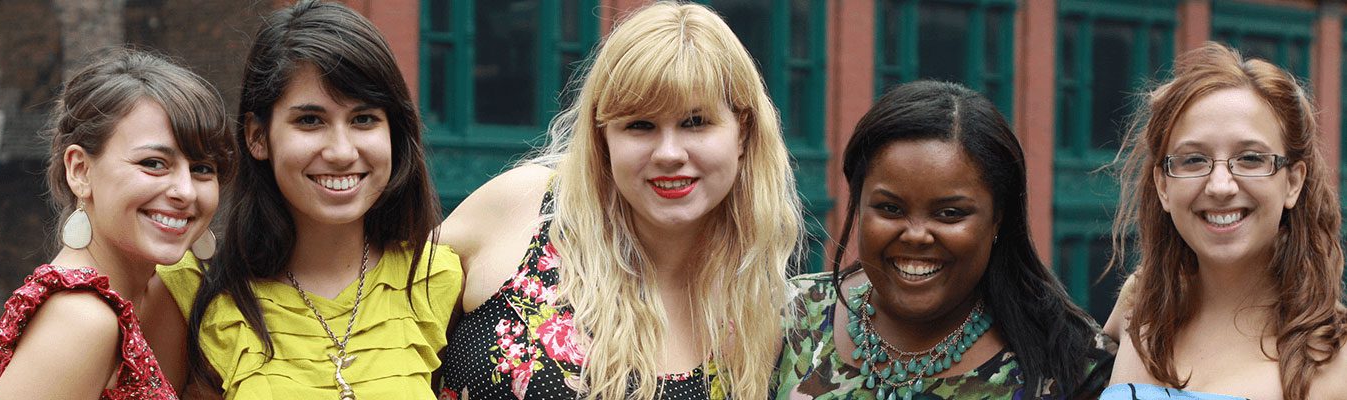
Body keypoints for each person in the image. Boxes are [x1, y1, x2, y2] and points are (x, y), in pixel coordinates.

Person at [438, 2, 804, 399]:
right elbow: (373, 307)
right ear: (603, 137)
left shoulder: (760, 312)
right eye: (640, 125)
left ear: (743, 133)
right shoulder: (525, 208)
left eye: (695, 122)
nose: (668, 153)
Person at [157, 1, 461, 398]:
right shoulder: (189, 290)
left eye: (363, 119)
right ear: (257, 136)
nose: (341, 151)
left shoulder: (436, 277)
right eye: (310, 120)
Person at [772, 80, 1113, 400]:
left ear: (998, 218)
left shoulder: (1071, 362)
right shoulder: (789, 318)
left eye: (950, 214)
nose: (917, 234)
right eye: (890, 208)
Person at [0, 48, 233, 399]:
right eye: (154, 163)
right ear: (80, 170)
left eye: (203, 168)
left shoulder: (160, 295)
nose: (185, 192)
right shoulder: (82, 320)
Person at [1101, 42, 1347, 400]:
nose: (1220, 186)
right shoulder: (1139, 303)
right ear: (1163, 185)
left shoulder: (1337, 360)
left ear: (1293, 182)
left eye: (1249, 158)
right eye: (1194, 160)